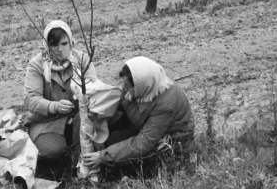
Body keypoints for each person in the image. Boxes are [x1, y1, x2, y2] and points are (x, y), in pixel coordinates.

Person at [82, 56, 195, 177]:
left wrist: (103, 157)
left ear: (142, 85)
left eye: (129, 86)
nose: (125, 89)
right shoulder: (145, 86)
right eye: (124, 84)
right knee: (110, 138)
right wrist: (98, 112)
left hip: (168, 143)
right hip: (143, 125)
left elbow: (144, 142)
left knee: (131, 164)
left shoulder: (166, 104)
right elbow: (121, 104)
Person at [23, 20, 97, 179]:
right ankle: (53, 167)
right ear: (46, 45)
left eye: (64, 43)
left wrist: (83, 96)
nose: (59, 49)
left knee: (90, 124)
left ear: (71, 42)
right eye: (54, 44)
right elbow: (30, 100)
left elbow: (95, 91)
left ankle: (81, 170)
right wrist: (53, 106)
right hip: (45, 122)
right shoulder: (36, 64)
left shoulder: (82, 59)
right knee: (53, 151)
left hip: (78, 118)